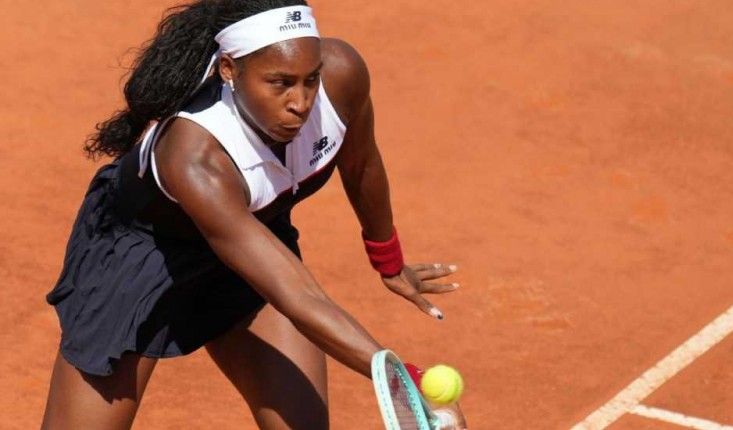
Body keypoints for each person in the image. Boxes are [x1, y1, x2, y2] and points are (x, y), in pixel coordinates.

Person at [40, 1, 466, 429]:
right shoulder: (195, 155)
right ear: (229, 69)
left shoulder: (341, 77)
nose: (300, 102)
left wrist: (387, 258)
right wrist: (406, 382)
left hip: (250, 241)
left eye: (310, 79)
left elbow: (361, 163)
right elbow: (298, 296)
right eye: (280, 83)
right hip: (140, 262)